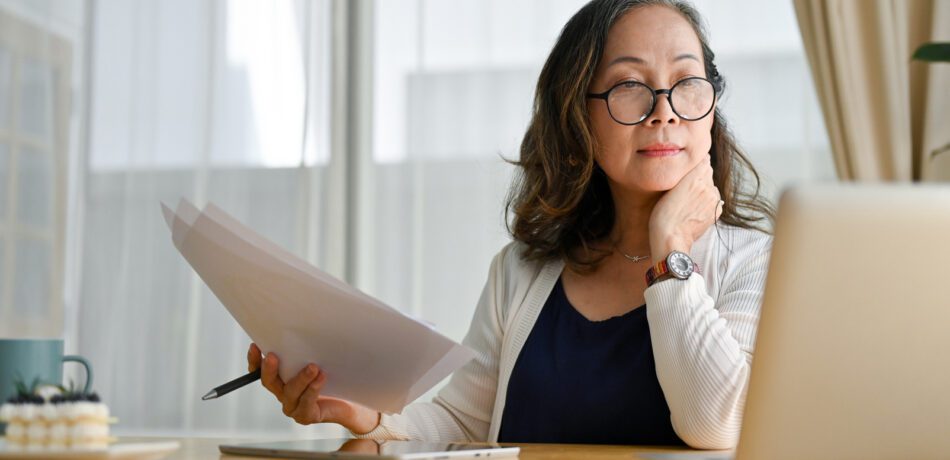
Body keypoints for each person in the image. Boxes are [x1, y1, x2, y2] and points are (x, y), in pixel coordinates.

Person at [246, 0, 774, 450]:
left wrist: (670, 248)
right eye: (630, 85)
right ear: (578, 115)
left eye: (686, 82)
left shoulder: (757, 261)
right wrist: (370, 415)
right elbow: (463, 425)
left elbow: (716, 424)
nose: (664, 111)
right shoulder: (520, 272)